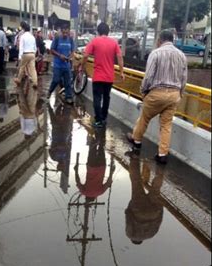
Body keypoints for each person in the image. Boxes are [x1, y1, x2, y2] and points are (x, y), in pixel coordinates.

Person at [126, 29, 187, 165]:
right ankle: (162, 154)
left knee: (145, 118)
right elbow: (184, 78)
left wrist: (143, 92)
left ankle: (136, 140)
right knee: (166, 125)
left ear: (160, 40)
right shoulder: (182, 55)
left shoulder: (156, 53)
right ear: (172, 40)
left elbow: (148, 76)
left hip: (157, 93)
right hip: (174, 94)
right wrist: (180, 93)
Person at [80, 22, 125, 128]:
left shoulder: (94, 41)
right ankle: (104, 118)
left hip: (98, 76)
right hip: (109, 77)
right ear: (108, 32)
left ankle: (99, 120)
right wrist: (121, 72)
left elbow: (85, 55)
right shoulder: (114, 43)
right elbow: (119, 58)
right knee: (106, 97)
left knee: (97, 98)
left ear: (98, 31)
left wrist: (82, 67)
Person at [124, 157, 164, 245]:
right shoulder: (130, 234)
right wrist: (129, 208)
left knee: (156, 189)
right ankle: (134, 159)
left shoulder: (151, 235)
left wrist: (160, 207)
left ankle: (161, 168)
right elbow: (129, 219)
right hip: (139, 211)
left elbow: (159, 221)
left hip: (154, 213)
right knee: (136, 181)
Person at [74, 129, 114, 202]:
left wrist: (112, 172)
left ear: (94, 198)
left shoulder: (100, 192)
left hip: (101, 167)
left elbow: (108, 182)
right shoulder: (84, 192)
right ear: (86, 197)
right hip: (91, 167)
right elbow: (77, 181)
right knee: (92, 148)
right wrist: (76, 170)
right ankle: (96, 132)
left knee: (101, 148)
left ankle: (102, 132)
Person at [47, 26, 75, 104]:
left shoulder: (70, 39)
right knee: (56, 80)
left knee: (68, 82)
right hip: (58, 64)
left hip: (66, 65)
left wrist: (70, 57)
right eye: (64, 33)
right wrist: (60, 55)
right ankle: (50, 91)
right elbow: (52, 50)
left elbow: (73, 51)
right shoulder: (57, 38)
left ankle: (68, 97)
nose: (65, 34)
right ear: (61, 32)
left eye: (67, 32)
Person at [14, 21, 38, 88]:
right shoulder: (32, 37)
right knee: (33, 69)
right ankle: (35, 82)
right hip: (32, 54)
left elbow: (21, 47)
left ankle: (18, 80)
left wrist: (19, 56)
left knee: (22, 67)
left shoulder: (23, 36)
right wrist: (34, 54)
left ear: (24, 29)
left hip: (25, 54)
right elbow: (35, 47)